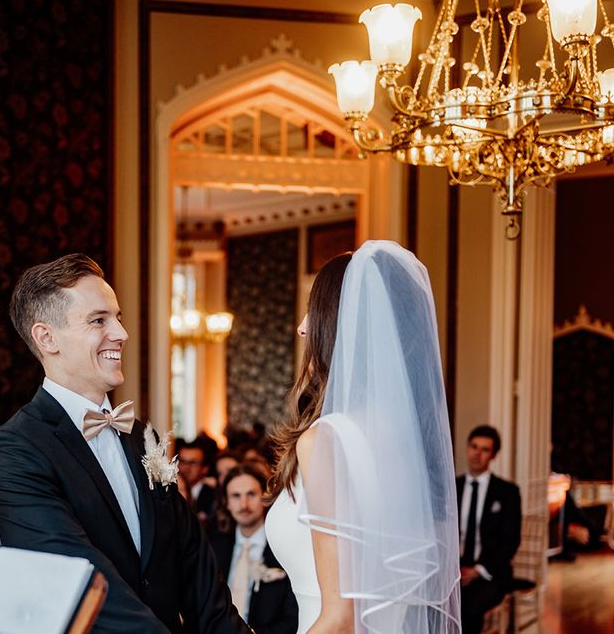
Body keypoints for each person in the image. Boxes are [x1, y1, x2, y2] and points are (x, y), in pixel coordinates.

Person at [0, 253, 249, 633]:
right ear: (46, 337)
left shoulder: (142, 437)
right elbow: (80, 578)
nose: (121, 334)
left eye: (117, 318)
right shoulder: (11, 451)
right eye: (98, 320)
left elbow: (195, 567)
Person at [266, 242, 461, 634]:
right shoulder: (406, 444)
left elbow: (341, 618)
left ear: (334, 323)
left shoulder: (326, 442)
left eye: (313, 310)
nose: (302, 326)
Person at [210, 464, 298, 634]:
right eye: (236, 496)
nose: (244, 504)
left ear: (265, 497)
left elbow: (292, 618)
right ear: (226, 502)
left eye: (251, 494)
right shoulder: (213, 546)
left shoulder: (284, 548)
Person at [457, 425, 521, 634]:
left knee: (469, 608)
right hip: (454, 572)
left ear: (493, 456)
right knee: (429, 603)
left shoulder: (507, 492)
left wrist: (477, 570)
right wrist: (452, 569)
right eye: (474, 447)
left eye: (484, 449)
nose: (477, 454)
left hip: (490, 573)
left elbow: (510, 541)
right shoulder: (452, 487)